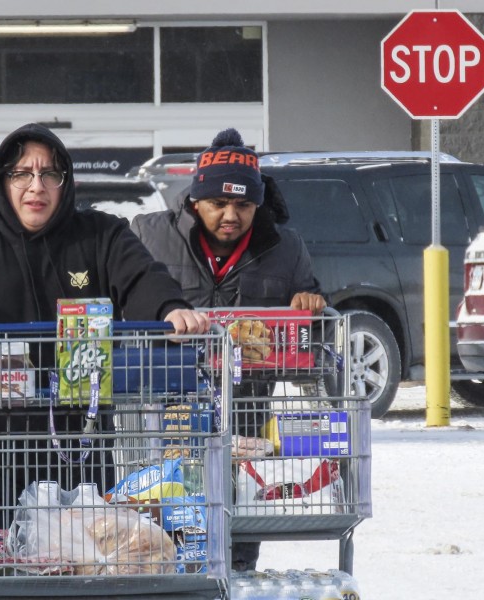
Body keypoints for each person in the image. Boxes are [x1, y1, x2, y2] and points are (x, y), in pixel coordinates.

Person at [0, 122, 209, 530]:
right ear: (3, 180)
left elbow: (141, 276)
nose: (36, 186)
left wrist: (170, 308)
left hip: (78, 444)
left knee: (85, 562)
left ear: (65, 182)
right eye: (22, 174)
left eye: (49, 174)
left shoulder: (100, 234)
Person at [131, 127, 327, 572]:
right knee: (168, 499)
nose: (230, 216)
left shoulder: (285, 247)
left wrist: (311, 302)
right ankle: (173, 577)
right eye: (218, 204)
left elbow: (311, 310)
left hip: (246, 403)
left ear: (258, 204)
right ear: (194, 201)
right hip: (166, 399)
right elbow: (121, 292)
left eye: (242, 205)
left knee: (238, 507)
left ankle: (237, 575)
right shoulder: (149, 234)